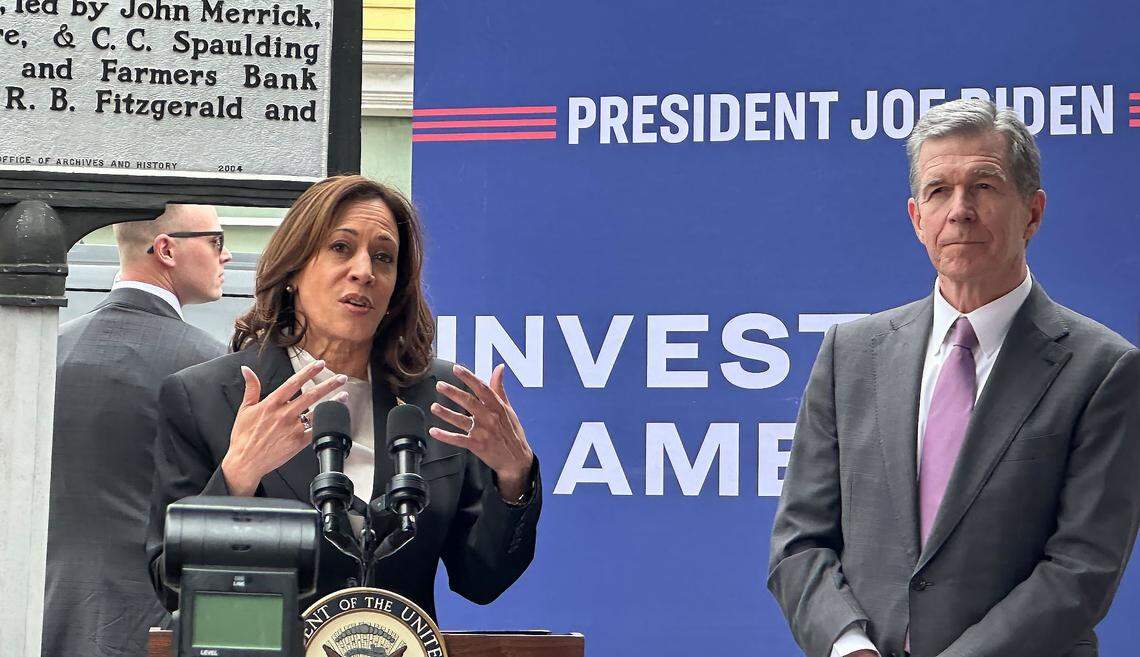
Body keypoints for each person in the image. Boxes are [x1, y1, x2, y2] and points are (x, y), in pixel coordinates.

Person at [768, 98, 1139, 657]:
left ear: (1033, 213)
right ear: (917, 219)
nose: (959, 210)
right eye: (939, 190)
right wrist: (849, 646)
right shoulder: (849, 354)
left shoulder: (1103, 368)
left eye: (984, 187)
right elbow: (800, 542)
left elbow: (1082, 569)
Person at [144, 176, 541, 620]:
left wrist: (513, 479)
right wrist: (238, 475)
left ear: (395, 288)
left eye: (383, 257)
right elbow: (172, 585)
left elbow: (481, 581)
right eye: (340, 247)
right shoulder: (205, 397)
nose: (364, 271)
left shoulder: (442, 400)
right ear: (294, 267)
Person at [44, 205, 232, 657]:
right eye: (216, 241)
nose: (225, 257)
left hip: (43, 617)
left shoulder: (47, 352)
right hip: (153, 627)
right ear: (166, 249)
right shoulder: (209, 369)